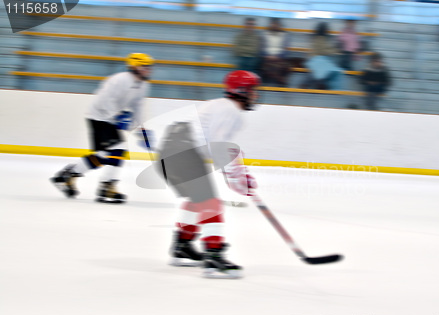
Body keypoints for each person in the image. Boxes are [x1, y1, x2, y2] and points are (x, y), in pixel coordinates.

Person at [156, 70, 260, 279]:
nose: (256, 95)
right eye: (253, 91)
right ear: (242, 91)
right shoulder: (232, 111)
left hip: (170, 151)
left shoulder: (218, 105)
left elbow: (219, 146)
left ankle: (182, 246)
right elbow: (219, 146)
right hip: (183, 153)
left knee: (197, 200)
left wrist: (238, 172)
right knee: (211, 203)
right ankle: (213, 257)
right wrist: (236, 177)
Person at [50, 53, 155, 203]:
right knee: (118, 150)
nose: (148, 70)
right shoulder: (120, 80)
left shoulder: (143, 86)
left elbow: (137, 107)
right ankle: (107, 187)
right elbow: (104, 100)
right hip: (99, 117)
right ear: (134, 66)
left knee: (104, 155)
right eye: (145, 66)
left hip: (109, 119)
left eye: (149, 67)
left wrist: (141, 130)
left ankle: (66, 176)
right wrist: (117, 116)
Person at [301, 22, 344, 90]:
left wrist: (335, 49)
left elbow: (326, 49)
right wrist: (335, 51)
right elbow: (322, 51)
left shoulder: (322, 38)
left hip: (317, 59)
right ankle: (317, 84)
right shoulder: (320, 38)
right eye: (327, 29)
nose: (328, 30)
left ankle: (316, 83)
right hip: (315, 59)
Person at [260, 17, 291, 87]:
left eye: (277, 24)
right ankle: (280, 79)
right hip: (267, 58)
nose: (275, 26)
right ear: (270, 24)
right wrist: (267, 56)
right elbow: (261, 48)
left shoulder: (285, 35)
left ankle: (279, 81)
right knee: (265, 66)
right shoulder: (264, 34)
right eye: (273, 24)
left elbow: (286, 50)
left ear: (279, 25)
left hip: (279, 58)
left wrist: (278, 57)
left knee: (286, 66)